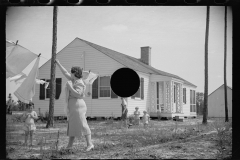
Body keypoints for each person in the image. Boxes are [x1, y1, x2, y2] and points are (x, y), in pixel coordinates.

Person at [55, 59, 94, 151]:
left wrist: (70, 87)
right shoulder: (73, 80)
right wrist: (58, 63)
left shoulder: (79, 82)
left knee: (82, 124)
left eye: (71, 72)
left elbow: (78, 94)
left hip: (78, 105)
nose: (70, 73)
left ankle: (90, 144)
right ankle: (69, 146)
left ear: (75, 73)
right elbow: (64, 72)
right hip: (73, 106)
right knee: (72, 125)